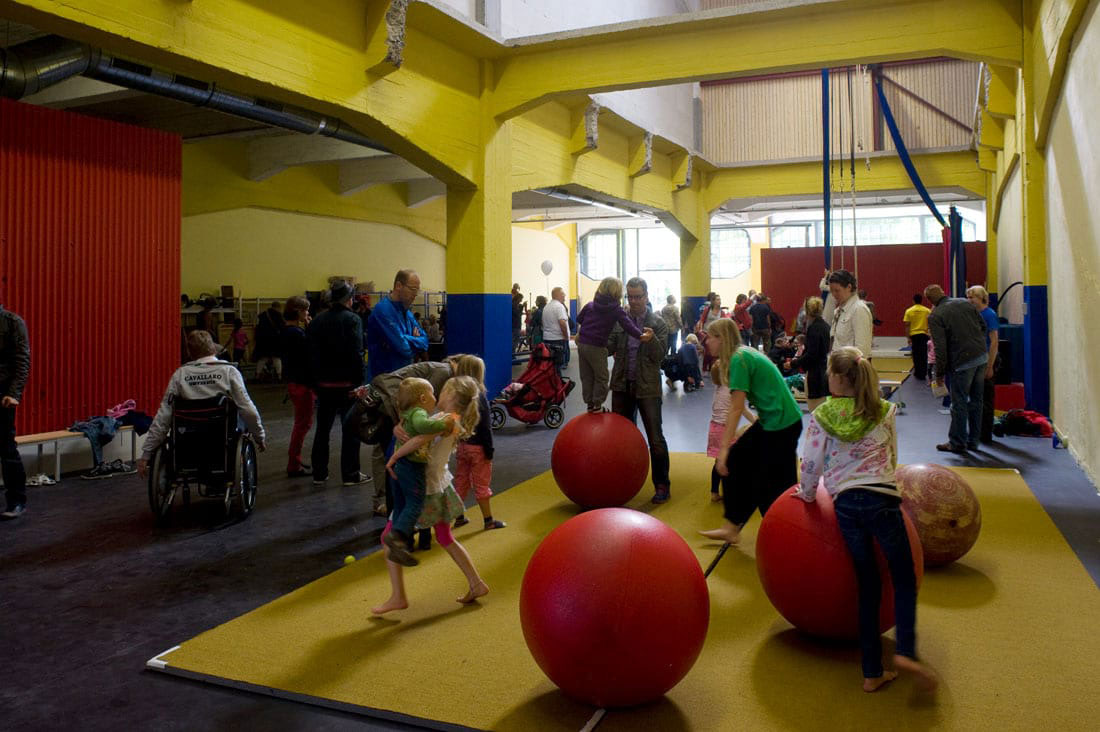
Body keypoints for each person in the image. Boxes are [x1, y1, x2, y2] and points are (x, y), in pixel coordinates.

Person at [795, 347, 936, 693]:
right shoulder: (883, 409)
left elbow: (810, 462)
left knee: (867, 585)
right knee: (903, 577)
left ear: (839, 379)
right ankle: (905, 650)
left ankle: (871, 671)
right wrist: (885, 480)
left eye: (829, 372)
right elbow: (891, 456)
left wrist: (808, 494)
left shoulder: (822, 414)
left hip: (847, 505)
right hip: (883, 500)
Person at [373, 375, 489, 614]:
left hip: (424, 487)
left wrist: (394, 456)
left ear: (452, 396)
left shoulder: (445, 421)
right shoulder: (447, 420)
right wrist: (398, 429)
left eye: (443, 390)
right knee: (446, 538)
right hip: (438, 486)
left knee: (388, 536)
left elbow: (418, 440)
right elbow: (416, 431)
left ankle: (398, 596)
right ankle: (476, 583)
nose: (438, 394)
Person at [698, 318, 802, 545]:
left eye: (710, 337)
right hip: (776, 420)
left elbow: (735, 408)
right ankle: (733, 526)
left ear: (722, 339)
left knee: (772, 480)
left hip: (782, 423)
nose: (706, 342)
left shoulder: (739, 359)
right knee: (749, 467)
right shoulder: (741, 355)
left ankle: (784, 530)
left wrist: (723, 449)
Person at [355, 355, 483, 519]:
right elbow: (428, 410)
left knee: (385, 451)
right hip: (392, 402)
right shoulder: (443, 373)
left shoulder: (443, 371)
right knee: (386, 451)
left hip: (394, 402)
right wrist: (403, 424)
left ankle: (388, 505)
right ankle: (387, 504)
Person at [137, 330, 266, 479]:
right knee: (239, 413)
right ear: (213, 348)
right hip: (221, 441)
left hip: (188, 443)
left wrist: (146, 454)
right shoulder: (229, 371)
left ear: (190, 352)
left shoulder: (180, 375)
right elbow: (248, 410)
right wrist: (259, 436)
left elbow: (163, 417)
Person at [381, 377, 456, 567]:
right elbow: (424, 427)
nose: (435, 397)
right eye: (432, 393)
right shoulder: (418, 413)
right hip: (411, 467)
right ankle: (398, 539)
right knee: (415, 503)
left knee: (400, 505)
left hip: (400, 468)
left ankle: (400, 544)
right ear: (423, 398)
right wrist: (443, 424)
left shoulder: (406, 414)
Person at [608, 278, 671, 503]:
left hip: (648, 388)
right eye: (630, 296)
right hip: (622, 385)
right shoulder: (620, 322)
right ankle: (622, 484)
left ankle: (662, 485)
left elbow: (660, 355)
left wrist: (651, 340)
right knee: (621, 441)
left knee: (655, 439)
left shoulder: (658, 323)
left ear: (646, 296)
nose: (634, 301)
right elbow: (609, 347)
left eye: (638, 296)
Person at [308, 280, 370, 487]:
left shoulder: (317, 321)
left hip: (324, 385)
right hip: (347, 385)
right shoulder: (352, 320)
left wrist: (316, 381)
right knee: (350, 429)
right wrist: (360, 382)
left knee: (322, 430)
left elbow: (312, 355)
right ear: (349, 299)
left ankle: (319, 473)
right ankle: (350, 474)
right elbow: (356, 353)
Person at [575, 277, 654, 413]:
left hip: (582, 344)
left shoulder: (590, 305)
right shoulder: (616, 310)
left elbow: (579, 319)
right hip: (597, 346)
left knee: (586, 374)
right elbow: (628, 325)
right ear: (617, 293)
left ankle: (589, 403)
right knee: (601, 376)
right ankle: (597, 405)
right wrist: (640, 336)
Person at [925, 284, 988, 453]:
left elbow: (940, 348)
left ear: (930, 301)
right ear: (943, 293)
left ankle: (957, 443)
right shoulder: (964, 302)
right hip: (981, 357)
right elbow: (983, 326)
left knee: (959, 403)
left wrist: (939, 374)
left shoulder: (935, 315)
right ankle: (973, 442)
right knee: (976, 401)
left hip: (962, 362)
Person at [449, 358, 505, 531]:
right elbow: (485, 428)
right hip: (479, 448)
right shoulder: (480, 397)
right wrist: (489, 450)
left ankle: (459, 517)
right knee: (482, 485)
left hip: (462, 446)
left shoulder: (458, 397)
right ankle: (488, 520)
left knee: (461, 482)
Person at [366, 269, 429, 382]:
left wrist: (406, 338)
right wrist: (415, 339)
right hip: (384, 382)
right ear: (399, 286)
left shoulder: (407, 313)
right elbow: (404, 349)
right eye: (413, 289)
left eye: (417, 290)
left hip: (403, 379)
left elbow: (425, 342)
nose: (415, 294)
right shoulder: (383, 311)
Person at [1, 305, 30, 520]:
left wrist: (14, 394)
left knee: (7, 449)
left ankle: (17, 501)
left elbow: (22, 362)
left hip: (3, 397)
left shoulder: (13, 322)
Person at [282, 296, 314, 478]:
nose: (307, 313)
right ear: (299, 311)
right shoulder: (297, 334)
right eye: (306, 310)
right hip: (302, 383)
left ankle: (294, 460)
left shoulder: (287, 331)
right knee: (302, 424)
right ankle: (293, 463)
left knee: (301, 423)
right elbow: (310, 352)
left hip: (294, 381)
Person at [966, 285, 1000, 445]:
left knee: (986, 399)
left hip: (987, 359)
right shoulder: (972, 315)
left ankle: (985, 434)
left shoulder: (989, 315)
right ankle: (975, 432)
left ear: (982, 298)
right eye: (968, 297)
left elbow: (994, 341)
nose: (970, 300)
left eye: (972, 297)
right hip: (975, 359)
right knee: (974, 398)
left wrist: (990, 365)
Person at [787, 296, 831, 412]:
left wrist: (793, 364)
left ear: (807, 311)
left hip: (815, 374)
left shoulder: (814, 328)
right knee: (822, 409)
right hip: (823, 370)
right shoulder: (826, 326)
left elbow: (811, 355)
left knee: (815, 411)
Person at [706, 364, 736, 504]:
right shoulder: (731, 390)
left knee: (718, 461)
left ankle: (714, 492)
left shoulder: (718, 388)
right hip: (725, 429)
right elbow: (740, 408)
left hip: (714, 428)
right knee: (728, 462)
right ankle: (730, 492)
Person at [827, 270, 873, 359]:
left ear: (849, 287)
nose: (833, 294)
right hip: (837, 366)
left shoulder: (859, 309)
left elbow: (862, 350)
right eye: (831, 291)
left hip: (851, 369)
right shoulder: (838, 311)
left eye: (837, 290)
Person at [541, 287, 571, 373]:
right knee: (557, 364)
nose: (564, 295)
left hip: (547, 339)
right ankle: (557, 384)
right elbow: (562, 323)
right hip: (558, 339)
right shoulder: (559, 306)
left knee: (551, 364)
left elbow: (543, 323)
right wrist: (565, 336)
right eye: (563, 294)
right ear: (557, 295)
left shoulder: (547, 306)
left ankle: (553, 383)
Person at [903, 293, 932, 381]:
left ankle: (917, 372)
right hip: (924, 335)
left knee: (916, 354)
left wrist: (908, 337)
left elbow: (907, 325)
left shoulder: (909, 311)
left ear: (913, 301)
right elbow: (930, 323)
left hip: (914, 335)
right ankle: (923, 373)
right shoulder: (927, 310)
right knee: (924, 354)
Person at [253, 301, 285, 381]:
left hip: (263, 341)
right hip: (275, 340)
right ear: (278, 307)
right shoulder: (278, 315)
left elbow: (258, 328)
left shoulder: (263, 315)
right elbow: (282, 327)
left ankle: (257, 375)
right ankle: (279, 375)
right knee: (276, 358)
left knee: (263, 358)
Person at [511, 283, 525, 353]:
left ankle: (512, 354)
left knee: (514, 340)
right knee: (514, 341)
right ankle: (512, 355)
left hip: (515, 325)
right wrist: (522, 307)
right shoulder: (514, 305)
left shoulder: (514, 305)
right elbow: (517, 314)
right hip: (515, 325)